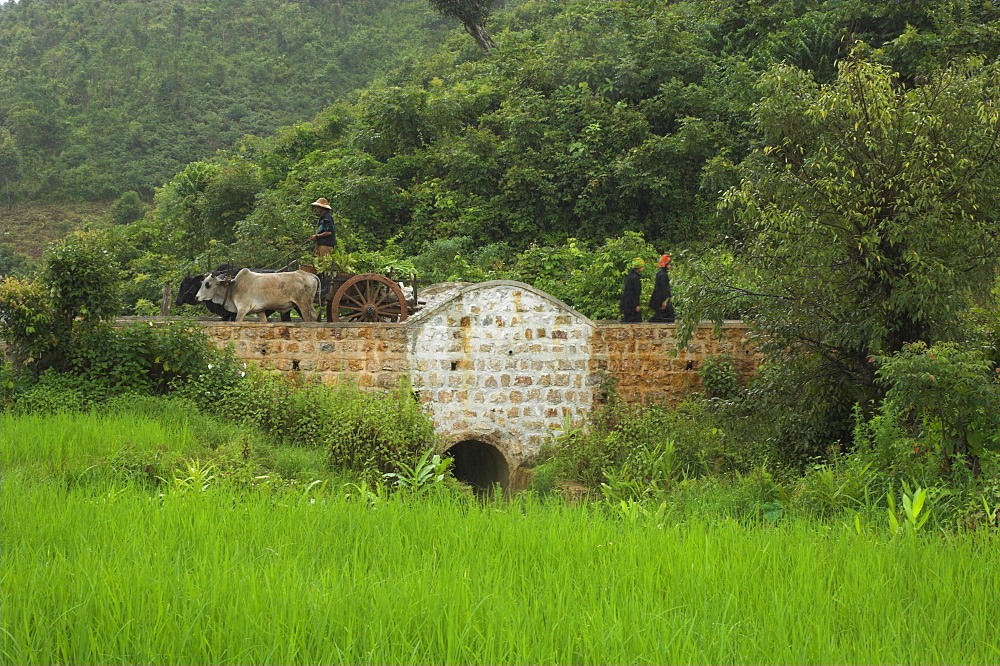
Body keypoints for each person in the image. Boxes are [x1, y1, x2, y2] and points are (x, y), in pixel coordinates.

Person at [647, 254, 675, 323]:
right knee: (668, 317)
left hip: (658, 298)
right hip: (661, 299)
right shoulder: (663, 275)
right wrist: (664, 301)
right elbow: (664, 289)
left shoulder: (660, 273)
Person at [619, 257, 644, 323]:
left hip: (627, 303)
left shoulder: (630, 276)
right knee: (635, 321)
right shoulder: (635, 278)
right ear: (639, 267)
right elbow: (635, 292)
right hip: (632, 305)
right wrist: (636, 304)